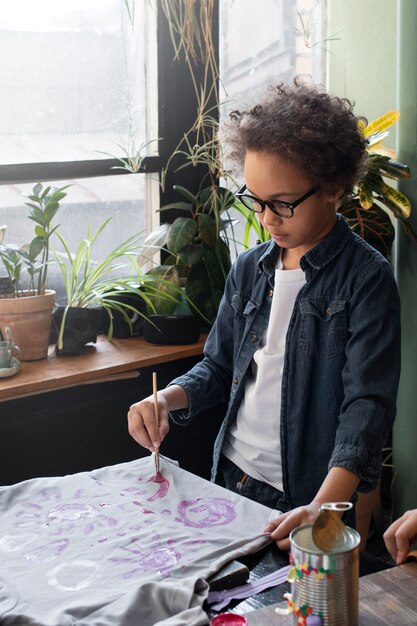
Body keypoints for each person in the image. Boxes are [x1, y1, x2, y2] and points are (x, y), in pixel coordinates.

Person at [128, 78, 401, 551]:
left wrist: (324, 507)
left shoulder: (366, 279)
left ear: (334, 188)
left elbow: (367, 409)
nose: (267, 218)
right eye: (255, 200)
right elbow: (219, 366)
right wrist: (165, 400)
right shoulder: (250, 269)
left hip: (308, 496)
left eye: (282, 204)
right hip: (230, 476)